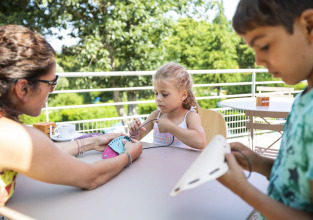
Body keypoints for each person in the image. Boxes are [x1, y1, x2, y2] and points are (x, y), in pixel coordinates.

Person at [0, 25, 142, 206]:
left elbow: (43, 154)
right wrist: (129, 155)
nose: (52, 90)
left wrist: (92, 142)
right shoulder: (13, 137)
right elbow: (91, 177)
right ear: (23, 88)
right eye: (51, 83)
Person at [217, 0, 313, 219]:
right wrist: (260, 163)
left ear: (311, 26)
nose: (258, 60)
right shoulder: (306, 97)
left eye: (263, 46)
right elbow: (299, 182)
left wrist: (243, 190)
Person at [128, 62, 206, 150]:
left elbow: (201, 142)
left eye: (164, 94)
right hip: (160, 163)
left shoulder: (189, 117)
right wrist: (134, 130)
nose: (158, 98)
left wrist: (171, 128)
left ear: (183, 95)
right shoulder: (156, 115)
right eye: (156, 93)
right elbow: (136, 138)